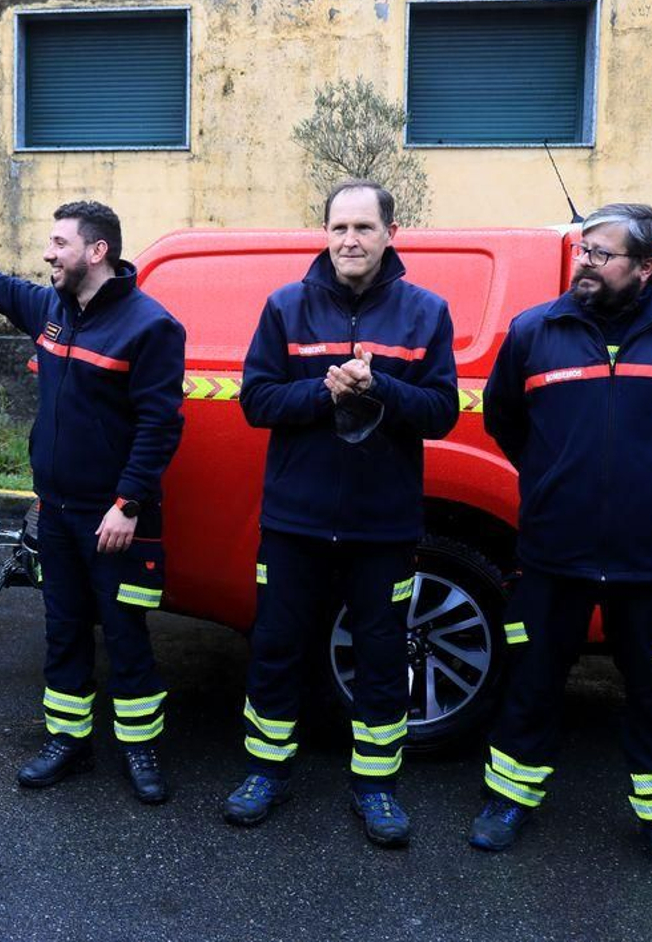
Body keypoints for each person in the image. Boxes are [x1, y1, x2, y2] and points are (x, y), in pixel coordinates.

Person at [468, 203, 652, 879]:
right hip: (552, 555)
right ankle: (507, 800)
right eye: (583, 249)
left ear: (646, 267)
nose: (583, 262)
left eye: (601, 253)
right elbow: (507, 420)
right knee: (532, 682)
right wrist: (553, 479)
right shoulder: (536, 332)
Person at [225, 179, 458, 846]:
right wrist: (324, 394)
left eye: (362, 228)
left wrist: (379, 386)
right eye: (338, 228)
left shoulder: (426, 312)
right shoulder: (285, 306)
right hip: (295, 522)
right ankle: (265, 771)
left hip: (381, 526)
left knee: (383, 656)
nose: (349, 240)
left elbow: (441, 412)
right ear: (324, 234)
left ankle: (377, 787)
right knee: (276, 648)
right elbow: (257, 402)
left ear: (391, 233)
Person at [0, 200, 186, 804]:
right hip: (57, 512)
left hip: (116, 518)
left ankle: (140, 749)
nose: (48, 254)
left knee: (126, 634)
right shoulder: (51, 309)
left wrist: (127, 504)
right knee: (64, 629)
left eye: (58, 243)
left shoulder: (151, 326)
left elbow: (160, 426)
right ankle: (67, 742)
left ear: (96, 251)